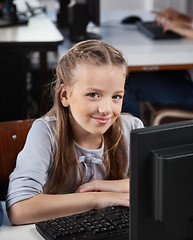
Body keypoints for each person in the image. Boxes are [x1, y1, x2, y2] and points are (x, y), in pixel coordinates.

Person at [6, 40, 144, 225]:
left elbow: (160, 186)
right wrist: (99, 199)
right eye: (93, 94)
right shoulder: (46, 132)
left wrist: (104, 187)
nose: (106, 109)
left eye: (116, 96)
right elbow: (20, 209)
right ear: (65, 96)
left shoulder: (132, 127)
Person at [122, 7, 193, 118]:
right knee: (127, 76)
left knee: (127, 85)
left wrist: (188, 31)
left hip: (189, 87)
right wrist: (183, 19)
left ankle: (134, 134)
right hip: (185, 74)